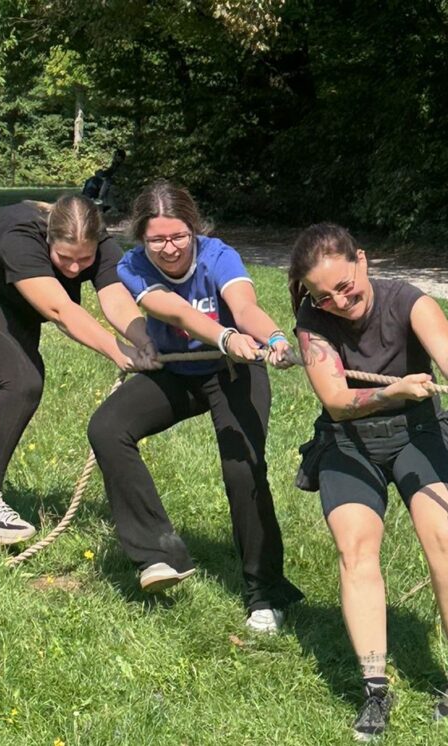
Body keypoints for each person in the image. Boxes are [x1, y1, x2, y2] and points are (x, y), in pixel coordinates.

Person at [288, 223, 448, 739]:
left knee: (441, 534)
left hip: (417, 433)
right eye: (324, 296)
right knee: (356, 550)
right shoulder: (312, 321)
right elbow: (337, 400)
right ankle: (375, 688)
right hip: (347, 440)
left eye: (345, 286)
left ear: (362, 260)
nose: (339, 302)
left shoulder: (408, 301)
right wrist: (391, 392)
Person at [86, 181, 304, 633]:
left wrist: (274, 337)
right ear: (141, 238)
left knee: (243, 469)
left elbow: (244, 307)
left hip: (235, 369)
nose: (169, 248)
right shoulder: (132, 266)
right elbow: (175, 311)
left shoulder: (219, 255)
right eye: (157, 240)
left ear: (195, 229)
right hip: (179, 369)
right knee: (108, 428)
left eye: (178, 236)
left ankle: (265, 592)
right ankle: (158, 553)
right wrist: (221, 336)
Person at [0, 195, 158, 545]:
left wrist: (144, 341)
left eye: (84, 259)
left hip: (15, 307)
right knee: (22, 381)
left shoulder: (100, 244)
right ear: (48, 238)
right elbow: (60, 311)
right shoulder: (19, 236)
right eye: (64, 258)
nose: (75, 268)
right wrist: (117, 351)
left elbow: (116, 298)